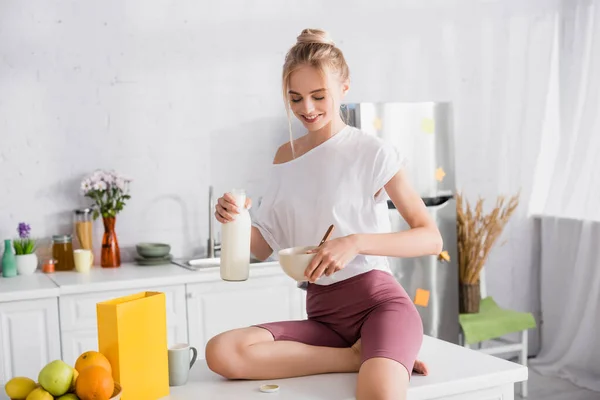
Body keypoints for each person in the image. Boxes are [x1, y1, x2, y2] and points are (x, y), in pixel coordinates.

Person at [206, 28, 443, 400]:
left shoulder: (372, 152)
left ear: (344, 88)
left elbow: (431, 237)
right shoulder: (285, 157)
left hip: (379, 307)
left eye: (319, 96)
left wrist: (355, 242)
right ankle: (357, 357)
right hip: (324, 318)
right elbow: (263, 247)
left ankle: (381, 352)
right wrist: (235, 217)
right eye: (295, 98)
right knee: (221, 352)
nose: (307, 109)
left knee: (378, 395)